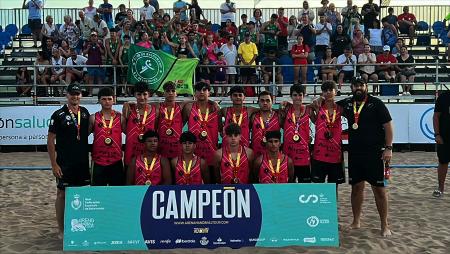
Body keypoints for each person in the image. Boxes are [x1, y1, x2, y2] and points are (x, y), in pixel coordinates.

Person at [336, 77, 393, 237]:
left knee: (379, 190)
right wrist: (319, 99)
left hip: (375, 153)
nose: (358, 88)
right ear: (352, 87)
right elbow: (329, 106)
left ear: (366, 87)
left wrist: (388, 148)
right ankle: (356, 221)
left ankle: (384, 225)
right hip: (355, 153)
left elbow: (388, 126)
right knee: (356, 188)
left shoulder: (376, 103)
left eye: (361, 85)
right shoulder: (346, 103)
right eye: (355, 85)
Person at [47, 84, 90, 239]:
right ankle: (61, 229)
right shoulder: (58, 114)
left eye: (78, 94)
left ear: (81, 96)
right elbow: (50, 140)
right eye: (72, 94)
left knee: (80, 194)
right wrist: (54, 164)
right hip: (64, 162)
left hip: (82, 162)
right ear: (67, 95)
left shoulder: (85, 113)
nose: (75, 97)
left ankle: (78, 225)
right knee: (62, 194)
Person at [310, 81, 345, 187]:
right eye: (325, 91)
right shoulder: (317, 106)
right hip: (319, 153)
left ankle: (333, 204)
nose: (328, 92)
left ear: (336, 91)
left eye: (331, 90)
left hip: (335, 153)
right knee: (317, 187)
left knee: (334, 187)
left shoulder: (341, 108)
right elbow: (301, 107)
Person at [182, 82, 221, 175]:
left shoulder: (216, 108)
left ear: (209, 93)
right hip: (194, 151)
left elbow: (221, 128)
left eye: (204, 90)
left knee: (211, 182)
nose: (201, 92)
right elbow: (180, 126)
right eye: (199, 90)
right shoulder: (189, 107)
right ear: (195, 93)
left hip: (212, 150)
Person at [88, 87, 124, 186]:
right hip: (98, 161)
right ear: (99, 100)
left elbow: (130, 134)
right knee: (97, 193)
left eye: (109, 99)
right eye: (104, 99)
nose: (107, 102)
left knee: (116, 192)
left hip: (116, 161)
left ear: (114, 100)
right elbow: (83, 136)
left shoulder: (120, 117)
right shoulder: (93, 118)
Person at [122, 82, 157, 168]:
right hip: (131, 150)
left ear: (149, 94)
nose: (142, 97)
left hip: (148, 151)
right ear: (134, 95)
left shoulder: (155, 110)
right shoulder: (128, 109)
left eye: (144, 94)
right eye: (139, 94)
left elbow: (156, 128)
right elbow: (124, 128)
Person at [282, 84, 312, 183]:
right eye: (295, 95)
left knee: (305, 186)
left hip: (303, 154)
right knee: (289, 185)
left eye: (300, 95)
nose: (297, 98)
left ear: (304, 95)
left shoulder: (309, 110)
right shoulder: (285, 109)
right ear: (291, 96)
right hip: (289, 153)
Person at [156, 81, 184, 159]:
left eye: (173, 91)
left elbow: (197, 101)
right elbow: (144, 103)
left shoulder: (181, 107)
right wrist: (129, 103)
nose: (170, 93)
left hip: (177, 147)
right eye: (168, 91)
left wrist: (212, 102)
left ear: (176, 93)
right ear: (163, 93)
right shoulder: (158, 107)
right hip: (162, 146)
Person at [250, 91, 282, 158]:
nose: (265, 103)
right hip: (256, 155)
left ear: (272, 102)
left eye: (268, 100)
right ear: (258, 102)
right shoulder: (253, 116)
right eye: (262, 101)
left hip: (273, 156)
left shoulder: (278, 116)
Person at [432, 91, 450, 198]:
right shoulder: (444, 97)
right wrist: (437, 134)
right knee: (443, 162)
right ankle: (441, 189)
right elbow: (436, 117)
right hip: (445, 137)